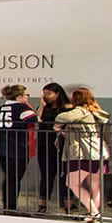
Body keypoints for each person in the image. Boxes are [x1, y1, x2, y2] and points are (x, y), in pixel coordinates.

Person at [55, 87, 111, 223]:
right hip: (99, 151)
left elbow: (61, 117)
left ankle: (94, 212)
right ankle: (95, 214)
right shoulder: (98, 112)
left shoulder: (80, 111)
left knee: (72, 183)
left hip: (82, 152)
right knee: (95, 185)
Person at [0, 84, 37, 212]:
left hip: (0, 147)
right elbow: (35, 120)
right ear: (20, 96)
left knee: (9, 177)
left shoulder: (1, 108)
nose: (28, 97)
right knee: (14, 179)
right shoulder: (22, 108)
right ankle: (11, 207)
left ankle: (8, 205)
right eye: (27, 95)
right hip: (17, 148)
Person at [36, 82, 72, 214]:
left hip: (61, 146)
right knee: (46, 174)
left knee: (63, 175)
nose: (46, 96)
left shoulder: (66, 109)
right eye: (44, 93)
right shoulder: (45, 107)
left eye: (49, 93)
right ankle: (43, 204)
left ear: (57, 94)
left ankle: (68, 204)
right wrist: (42, 105)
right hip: (44, 145)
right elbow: (36, 120)